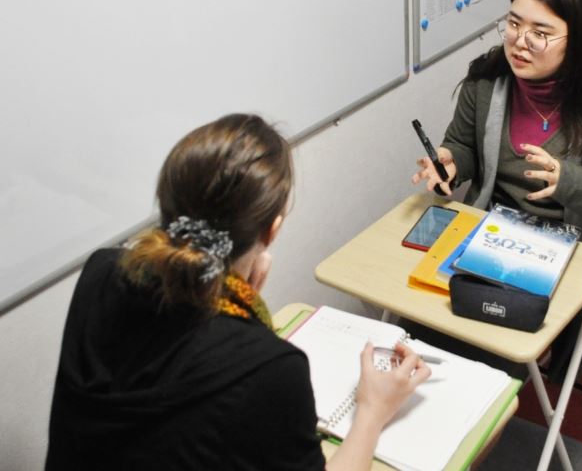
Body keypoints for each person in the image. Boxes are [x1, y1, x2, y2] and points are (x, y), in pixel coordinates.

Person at [47, 113, 430, 470]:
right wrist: (373, 409)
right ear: (272, 230)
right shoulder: (269, 368)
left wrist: (233, 298)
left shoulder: (100, 274)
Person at [412, 0, 582, 379]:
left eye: (541, 33)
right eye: (513, 24)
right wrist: (453, 165)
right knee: (419, 326)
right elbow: (464, 146)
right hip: (491, 235)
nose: (519, 43)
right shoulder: (488, 80)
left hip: (574, 252)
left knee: (492, 359)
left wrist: (572, 183)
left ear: (579, 41)